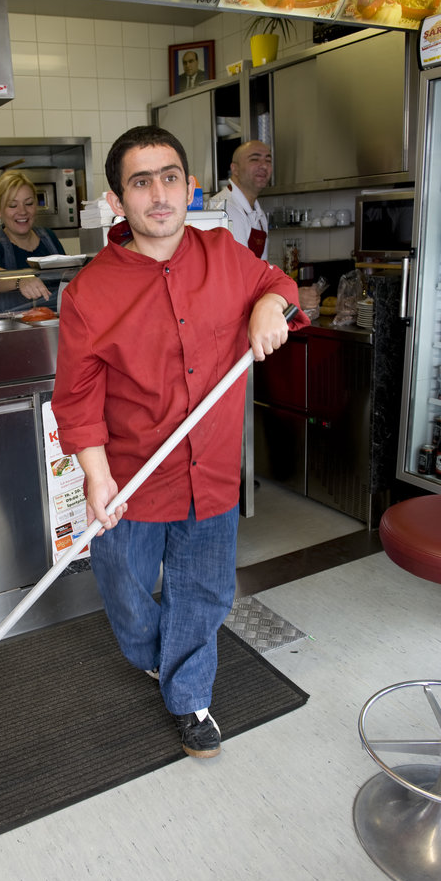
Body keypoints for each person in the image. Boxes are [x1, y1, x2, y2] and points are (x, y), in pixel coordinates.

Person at [52, 125, 309, 759]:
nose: (159, 194)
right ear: (118, 201)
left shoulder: (225, 254)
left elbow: (278, 286)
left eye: (170, 177)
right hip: (132, 476)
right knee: (129, 599)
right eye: (140, 182)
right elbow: (77, 397)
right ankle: (154, 654)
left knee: (205, 591)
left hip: (212, 471)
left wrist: (268, 306)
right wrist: (94, 472)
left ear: (190, 186)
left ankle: (190, 696)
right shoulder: (89, 293)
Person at [213, 141, 320, 311]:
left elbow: (259, 271)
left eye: (268, 160)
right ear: (235, 169)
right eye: (254, 159)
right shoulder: (223, 210)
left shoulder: (258, 213)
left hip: (249, 312)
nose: (263, 166)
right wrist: (288, 295)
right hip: (228, 314)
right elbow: (237, 278)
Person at [0, 169, 65, 313]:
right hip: (11, 331)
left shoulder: (49, 237)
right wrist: (21, 280)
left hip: (54, 324)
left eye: (29, 203)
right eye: (13, 205)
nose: (23, 211)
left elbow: (67, 275)